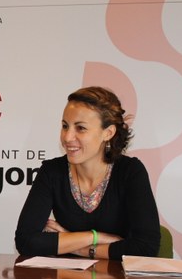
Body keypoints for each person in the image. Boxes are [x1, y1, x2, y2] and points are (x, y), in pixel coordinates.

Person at [15, 86, 160, 260]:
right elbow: (25, 241)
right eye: (65, 126)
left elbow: (146, 247)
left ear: (108, 133)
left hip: (118, 278)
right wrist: (94, 237)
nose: (67, 137)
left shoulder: (130, 172)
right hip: (66, 277)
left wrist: (76, 247)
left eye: (81, 128)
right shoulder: (52, 171)